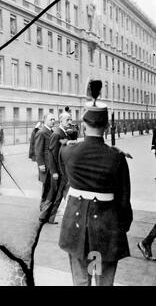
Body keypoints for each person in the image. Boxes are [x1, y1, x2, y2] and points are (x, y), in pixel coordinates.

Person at [59, 80, 133, 286]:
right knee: (102, 281)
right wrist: (122, 226)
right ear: (107, 127)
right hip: (105, 231)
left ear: (83, 125)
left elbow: (64, 168)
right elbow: (124, 201)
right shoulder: (116, 158)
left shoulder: (68, 152)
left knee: (81, 282)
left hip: (76, 228)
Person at [39, 112, 72, 224]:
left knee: (57, 194)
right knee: (55, 195)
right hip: (59, 171)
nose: (70, 122)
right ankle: (46, 216)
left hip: (63, 171)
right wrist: (54, 172)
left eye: (70, 119)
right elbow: (51, 154)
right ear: (61, 121)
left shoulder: (63, 133)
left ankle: (47, 217)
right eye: (67, 120)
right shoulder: (57, 134)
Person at [34, 113, 56, 211]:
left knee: (50, 186)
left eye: (54, 119)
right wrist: (41, 164)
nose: (53, 121)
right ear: (45, 120)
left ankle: (46, 207)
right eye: (51, 119)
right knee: (46, 187)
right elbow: (38, 150)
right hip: (45, 165)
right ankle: (43, 207)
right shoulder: (41, 132)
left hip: (51, 164)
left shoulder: (51, 131)